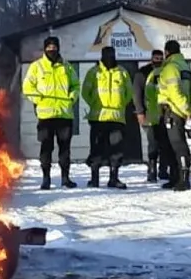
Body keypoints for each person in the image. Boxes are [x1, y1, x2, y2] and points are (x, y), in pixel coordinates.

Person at [22, 35, 79, 190]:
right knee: (46, 148)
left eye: (54, 47)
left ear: (59, 48)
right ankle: (46, 179)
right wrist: (38, 99)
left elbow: (75, 85)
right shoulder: (36, 66)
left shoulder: (66, 67)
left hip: (64, 114)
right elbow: (27, 87)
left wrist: (71, 98)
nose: (52, 49)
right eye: (49, 47)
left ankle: (66, 178)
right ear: (45, 48)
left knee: (65, 149)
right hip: (45, 116)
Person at [82, 45, 132, 189]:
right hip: (98, 118)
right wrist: (95, 104)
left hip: (117, 118)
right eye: (106, 55)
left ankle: (114, 178)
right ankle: (94, 178)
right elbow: (86, 92)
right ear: (101, 56)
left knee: (116, 150)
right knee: (96, 149)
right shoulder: (94, 72)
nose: (109, 58)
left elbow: (128, 93)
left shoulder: (122, 72)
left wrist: (120, 104)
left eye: (111, 55)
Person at [149, 40, 191, 191]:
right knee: (173, 147)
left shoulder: (170, 68)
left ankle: (183, 180)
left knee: (178, 146)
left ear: (167, 52)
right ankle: (175, 178)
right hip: (178, 111)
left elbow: (174, 92)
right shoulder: (184, 66)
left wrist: (186, 109)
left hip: (173, 111)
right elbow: (189, 90)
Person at [133, 47, 167, 182]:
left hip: (165, 113)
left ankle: (163, 170)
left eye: (160, 58)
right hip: (149, 114)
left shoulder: (167, 71)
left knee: (165, 143)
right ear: (151, 58)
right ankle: (152, 170)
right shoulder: (143, 73)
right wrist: (140, 112)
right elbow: (136, 94)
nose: (158, 61)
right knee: (153, 143)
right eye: (156, 58)